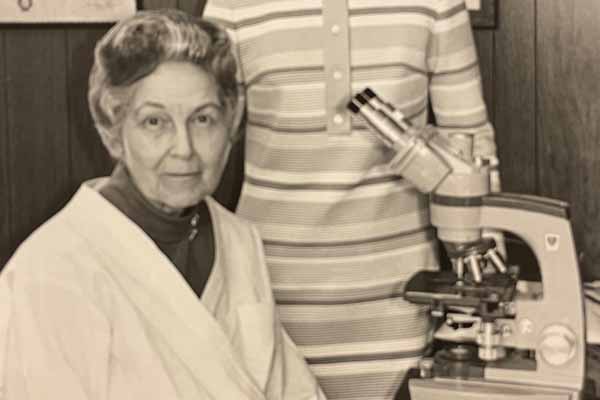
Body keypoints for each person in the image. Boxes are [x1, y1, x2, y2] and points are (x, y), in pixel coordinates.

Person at [0, 9, 325, 400]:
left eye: (203, 119)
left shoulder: (238, 239)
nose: (184, 149)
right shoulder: (50, 271)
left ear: (231, 123)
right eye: (155, 122)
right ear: (113, 131)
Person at [203, 1, 501, 398]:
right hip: (269, 307)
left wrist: (490, 296)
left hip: (401, 310)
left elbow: (472, 146)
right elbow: (203, 145)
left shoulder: (438, 3)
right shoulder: (231, 6)